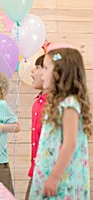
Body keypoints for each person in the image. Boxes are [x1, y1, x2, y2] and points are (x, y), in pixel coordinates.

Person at [29, 48, 92, 199]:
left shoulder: (69, 103)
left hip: (62, 177)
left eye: (45, 68)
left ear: (60, 73)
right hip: (47, 168)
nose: (41, 73)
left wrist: (55, 176)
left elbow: (70, 143)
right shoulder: (55, 103)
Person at [25, 54, 47, 199]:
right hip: (37, 170)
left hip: (50, 173)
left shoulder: (58, 104)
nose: (32, 71)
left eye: (38, 67)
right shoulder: (38, 102)